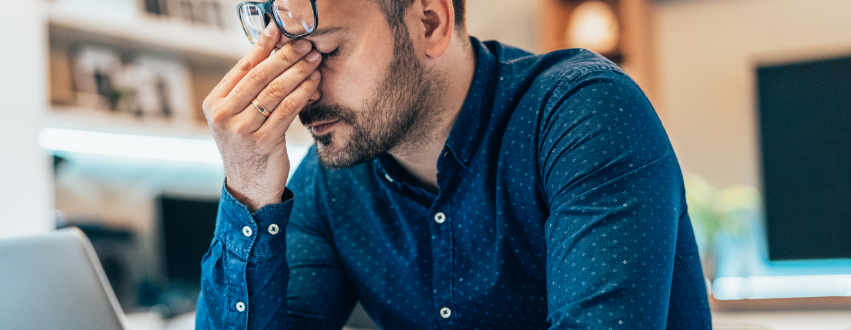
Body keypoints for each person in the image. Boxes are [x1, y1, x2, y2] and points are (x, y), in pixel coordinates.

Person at [197, 0, 711, 328]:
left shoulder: (584, 113)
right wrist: (247, 190)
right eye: (285, 62)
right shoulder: (330, 183)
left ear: (430, 21)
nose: (303, 93)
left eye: (325, 53)